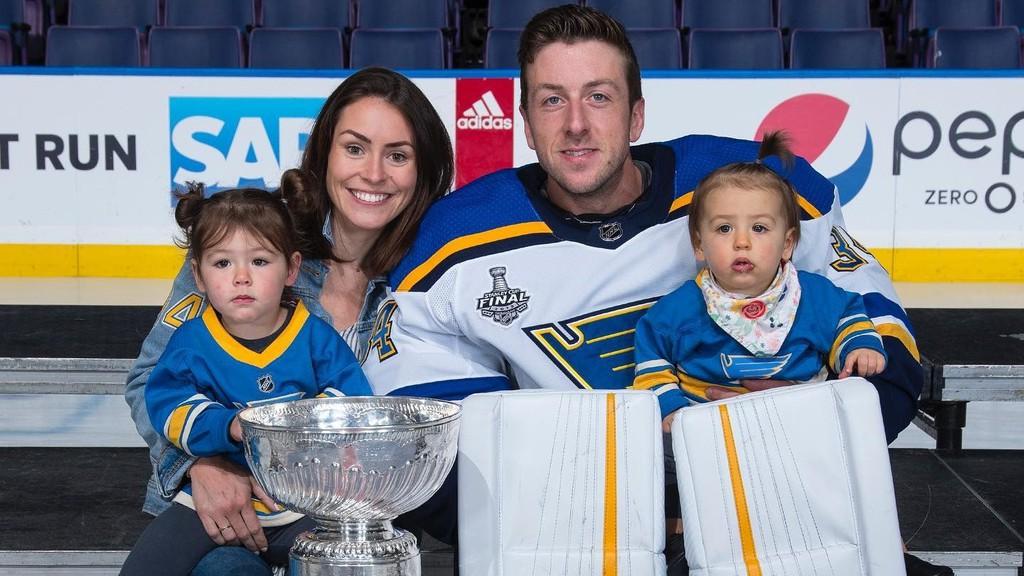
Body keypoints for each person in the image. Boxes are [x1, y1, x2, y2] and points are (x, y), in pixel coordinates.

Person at [361, 5, 950, 575]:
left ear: (637, 116)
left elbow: (883, 352)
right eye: (551, 100)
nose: (575, 124)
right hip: (584, 539)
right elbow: (437, 457)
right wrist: (662, 487)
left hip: (781, 504)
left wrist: (789, 438)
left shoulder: (756, 188)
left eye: (599, 96)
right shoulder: (452, 242)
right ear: (525, 121)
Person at [124, 67, 454, 574]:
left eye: (398, 155)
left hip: (348, 522)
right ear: (324, 154)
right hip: (228, 518)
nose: (374, 173)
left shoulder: (435, 279)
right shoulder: (250, 247)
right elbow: (151, 381)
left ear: (423, 170)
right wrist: (201, 463)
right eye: (355, 148)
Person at [119, 186, 373, 576]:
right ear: (197, 275)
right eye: (222, 263)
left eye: (258, 261)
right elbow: (168, 405)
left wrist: (308, 432)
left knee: (349, 563)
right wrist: (228, 426)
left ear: (291, 269)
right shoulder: (190, 342)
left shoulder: (315, 336)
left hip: (300, 503)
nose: (240, 277)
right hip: (206, 507)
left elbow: (352, 401)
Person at [632, 131, 888, 415]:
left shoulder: (814, 296)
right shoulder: (679, 308)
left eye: (759, 228)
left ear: (787, 244)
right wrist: (670, 409)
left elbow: (849, 318)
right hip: (703, 432)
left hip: (801, 425)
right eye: (724, 228)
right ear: (699, 244)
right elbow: (652, 359)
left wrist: (859, 347)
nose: (742, 241)